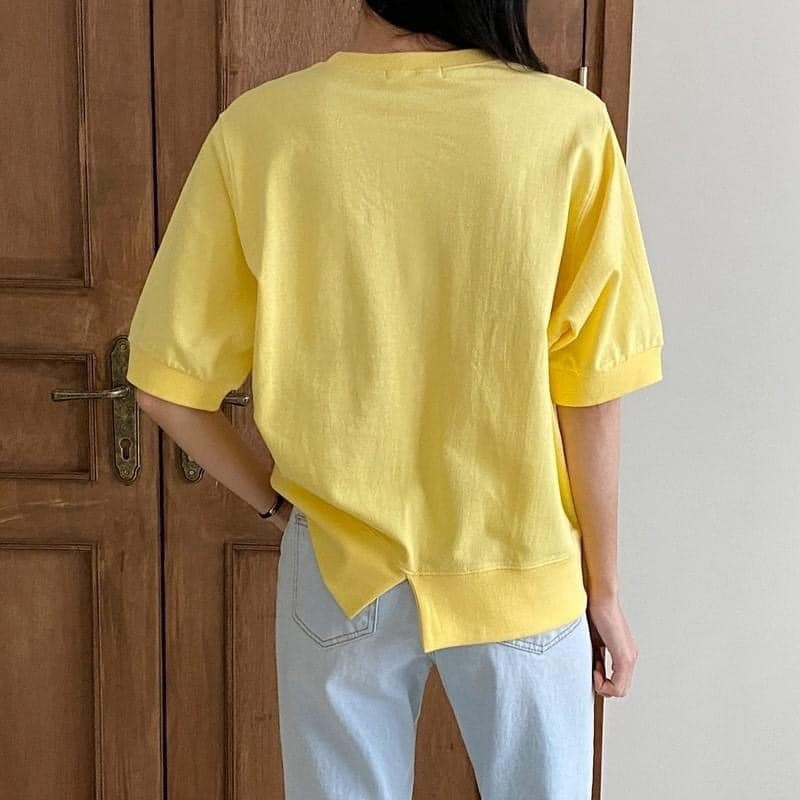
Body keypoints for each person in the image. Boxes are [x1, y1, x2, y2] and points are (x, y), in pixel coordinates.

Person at [125, 1, 664, 797]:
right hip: (520, 563)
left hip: (339, 565)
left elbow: (164, 390)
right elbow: (591, 391)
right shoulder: (568, 127)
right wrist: (606, 592)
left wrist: (279, 507)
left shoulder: (261, 130)